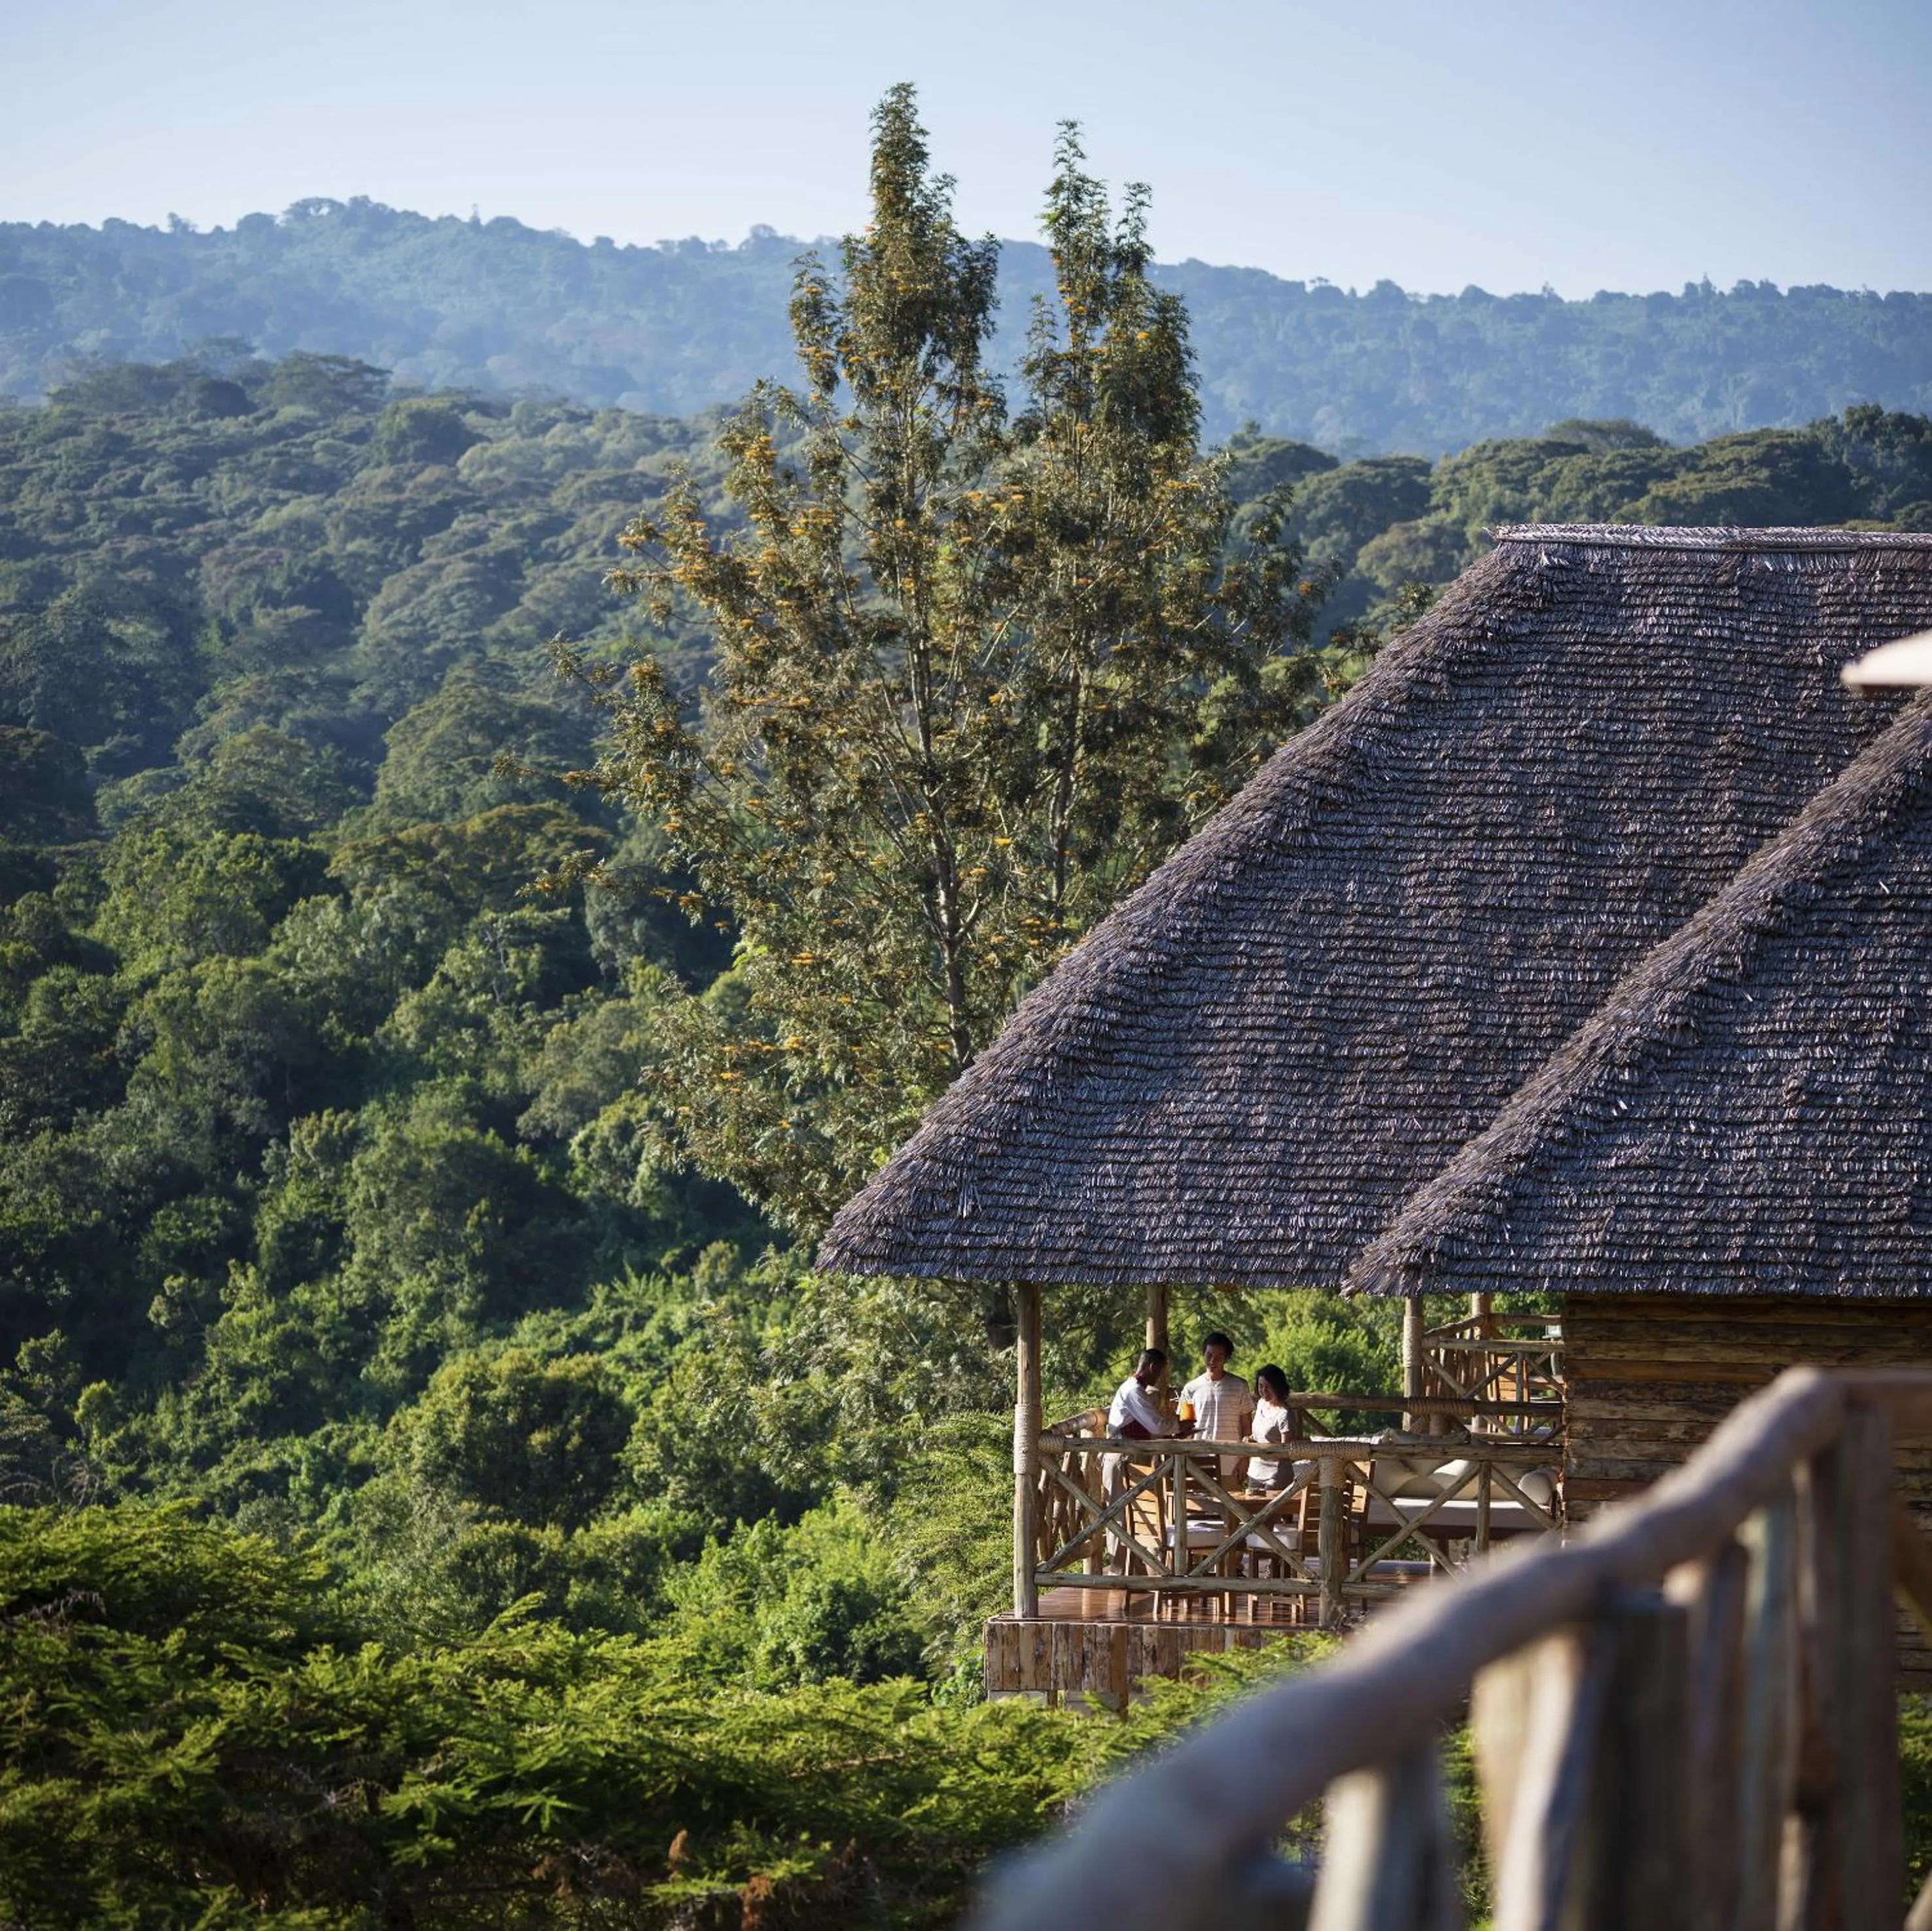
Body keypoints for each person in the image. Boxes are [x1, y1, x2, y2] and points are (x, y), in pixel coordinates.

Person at [1180, 1331, 1254, 1488]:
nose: (1212, 1361)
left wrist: (1245, 1459)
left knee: (1231, 1511)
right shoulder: (1190, 1389)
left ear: (1226, 1358)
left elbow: (1248, 1428)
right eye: (1209, 1355)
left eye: (1219, 1357)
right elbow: (1184, 1429)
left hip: (1231, 1465)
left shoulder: (1240, 1386)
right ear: (1203, 1354)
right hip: (1198, 1464)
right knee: (1199, 1512)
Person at [1246, 1364, 1295, 1491]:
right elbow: (1261, 1435)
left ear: (1278, 1386)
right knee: (1252, 1510)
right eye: (1261, 1386)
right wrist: (1251, 1440)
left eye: (1268, 1387)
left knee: (1273, 1510)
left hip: (1276, 1475)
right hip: (1255, 1471)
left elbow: (1287, 1450)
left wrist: (1266, 1449)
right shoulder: (1261, 1404)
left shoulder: (1284, 1413)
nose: (1263, 1390)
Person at [1107, 1348, 1173, 1440]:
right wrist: (1179, 1427)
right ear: (1153, 1368)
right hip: (1121, 1448)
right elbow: (1156, 1427)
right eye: (1160, 1371)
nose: (1160, 1377)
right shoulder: (1134, 1390)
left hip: (1128, 1447)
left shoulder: (1136, 1388)